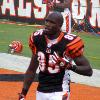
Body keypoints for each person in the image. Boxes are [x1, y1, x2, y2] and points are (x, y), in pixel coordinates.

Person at [18, 12, 93, 100]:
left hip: (60, 90)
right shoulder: (37, 38)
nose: (47, 24)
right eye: (47, 21)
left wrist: (69, 66)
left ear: (59, 25)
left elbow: (88, 71)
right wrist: (23, 92)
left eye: (52, 22)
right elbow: (32, 69)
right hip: (41, 89)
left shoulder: (69, 43)